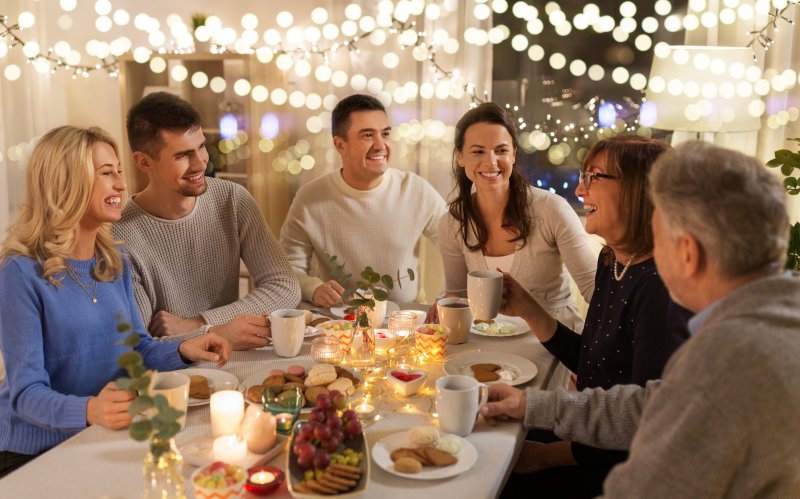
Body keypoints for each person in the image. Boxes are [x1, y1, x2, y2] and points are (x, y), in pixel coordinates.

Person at [482, 140, 800, 497]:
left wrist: (544, 454)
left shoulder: (724, 364)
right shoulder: (778, 317)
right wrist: (531, 405)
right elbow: (655, 402)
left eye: (659, 235)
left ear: (688, 252)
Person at [0, 126, 231, 478]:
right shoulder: (21, 272)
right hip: (30, 453)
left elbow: (136, 350)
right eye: (107, 173)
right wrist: (91, 410)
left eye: (120, 172)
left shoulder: (113, 263)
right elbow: (26, 394)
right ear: (67, 181)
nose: (122, 185)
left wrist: (184, 349)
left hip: (98, 434)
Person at [499, 135, 691, 498]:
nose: (579, 189)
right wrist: (527, 308)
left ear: (638, 188)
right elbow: (594, 361)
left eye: (593, 178)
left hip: (615, 470)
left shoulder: (660, 288)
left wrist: (547, 456)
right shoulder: (614, 261)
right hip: (586, 434)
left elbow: (643, 423)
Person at [113, 92, 301, 350]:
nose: (200, 162)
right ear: (144, 162)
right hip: (176, 377)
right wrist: (220, 333)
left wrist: (202, 324)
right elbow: (142, 344)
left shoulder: (232, 199)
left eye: (201, 146)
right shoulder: (121, 235)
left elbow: (286, 287)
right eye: (182, 155)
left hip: (234, 361)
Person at [433, 102, 596, 332]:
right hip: (488, 343)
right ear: (460, 156)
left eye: (501, 150)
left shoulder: (551, 209)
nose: (491, 162)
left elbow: (594, 289)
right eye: (478, 151)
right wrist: (442, 307)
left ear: (514, 155)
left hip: (557, 347)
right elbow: (458, 295)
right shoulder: (452, 222)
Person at [279, 94, 446, 307]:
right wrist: (313, 288)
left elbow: (458, 247)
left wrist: (447, 298)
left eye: (385, 134)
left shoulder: (416, 190)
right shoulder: (309, 198)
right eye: (368, 135)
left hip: (405, 321)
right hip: (340, 322)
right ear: (341, 145)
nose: (380, 145)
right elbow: (287, 268)